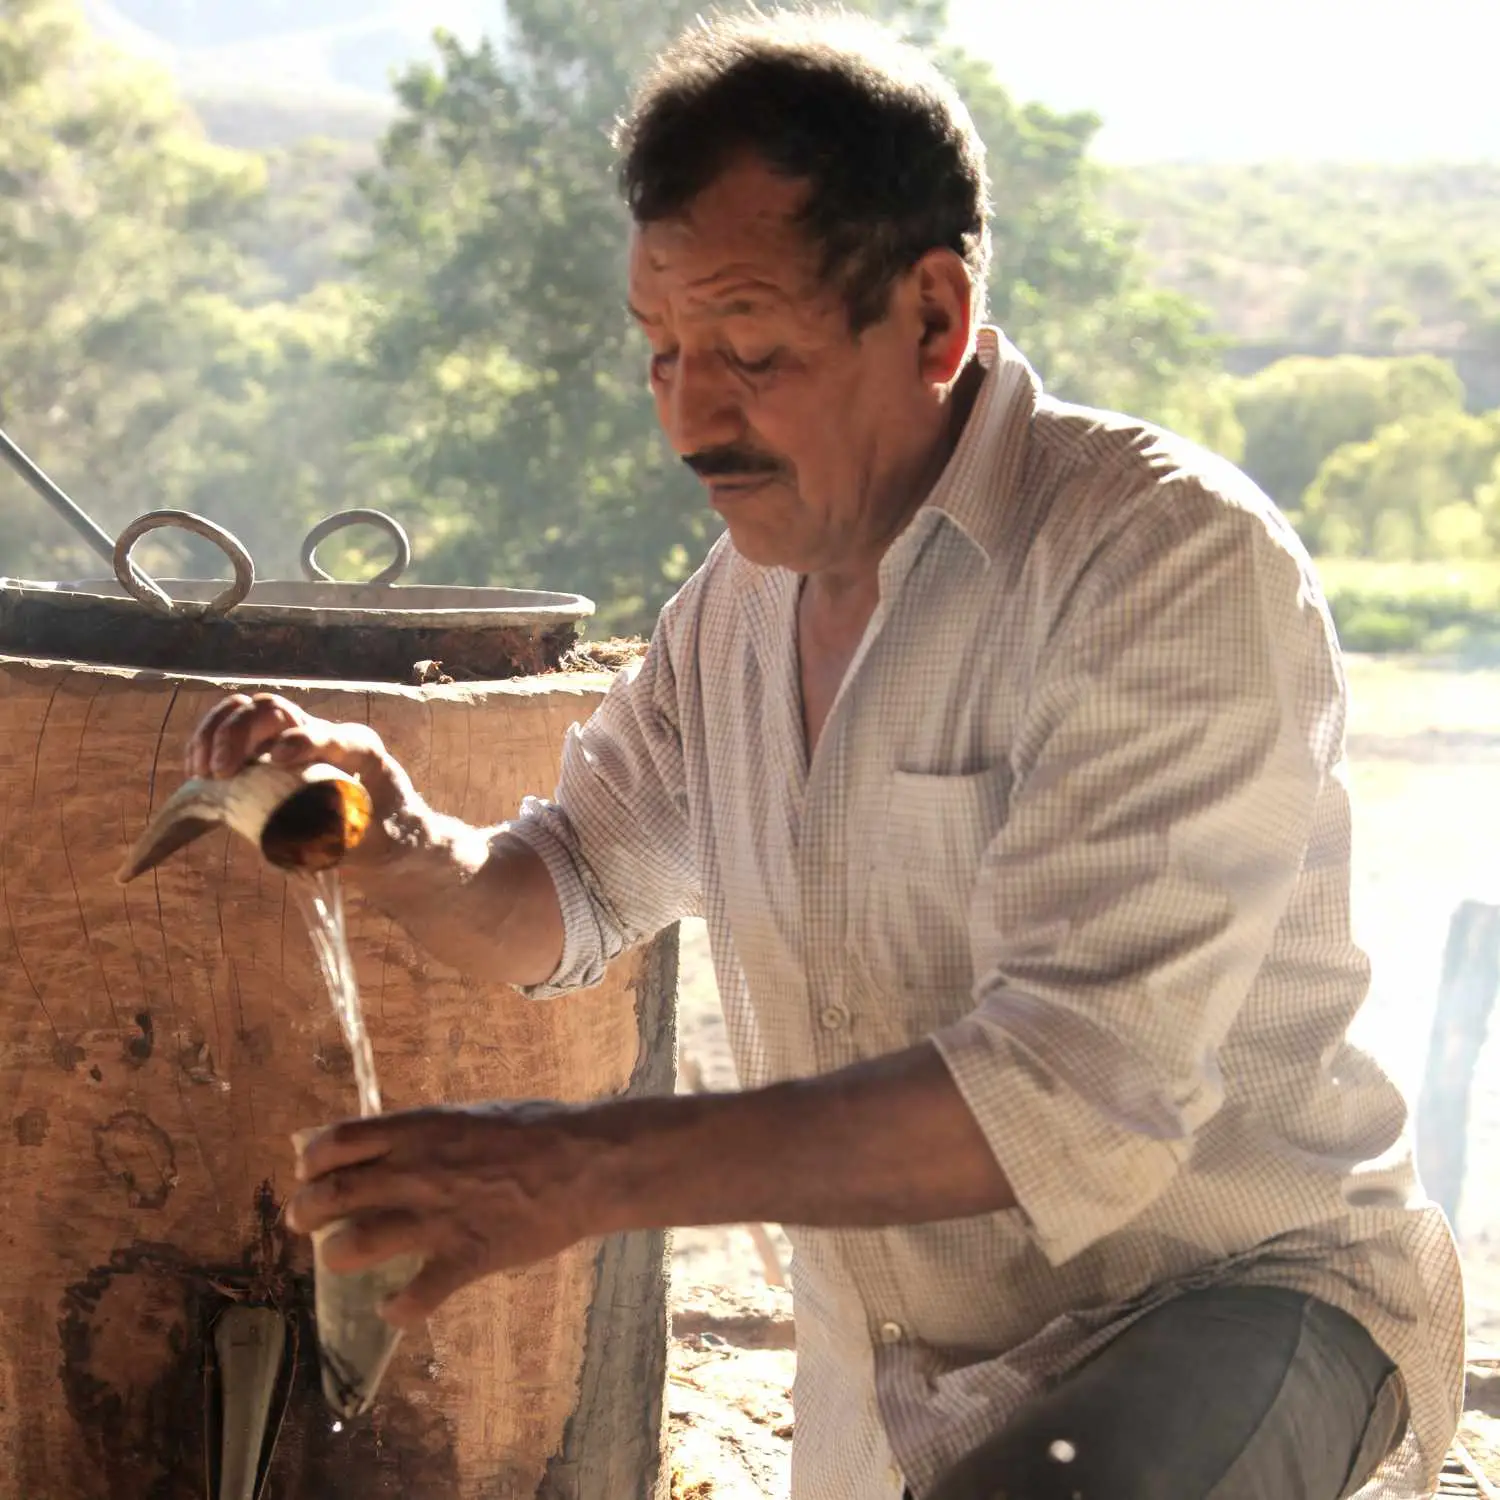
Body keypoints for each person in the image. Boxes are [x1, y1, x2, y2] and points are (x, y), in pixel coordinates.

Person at [186, 11, 1463, 1498]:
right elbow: (562, 895)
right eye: (660, 351)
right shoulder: (727, 621)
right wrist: (404, 841)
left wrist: (582, 1172)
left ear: (935, 317)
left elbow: (1068, 1090)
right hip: (902, 1394)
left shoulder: (1165, 563)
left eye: (746, 347)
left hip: (1241, 1297)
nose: (688, 413)